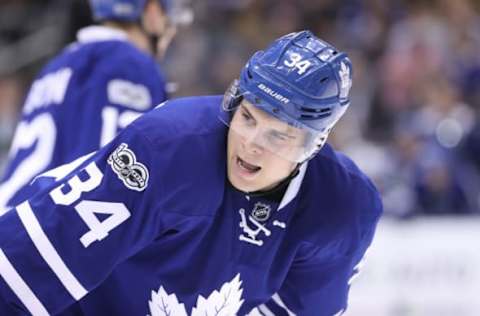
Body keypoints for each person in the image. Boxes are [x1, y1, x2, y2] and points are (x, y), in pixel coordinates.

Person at [0, 30, 382, 316]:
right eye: (247, 118)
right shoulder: (168, 149)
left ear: (313, 145)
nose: (251, 143)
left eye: (278, 136)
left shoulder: (343, 208)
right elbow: (16, 274)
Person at [0, 0, 193, 213]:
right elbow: (113, 181)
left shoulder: (58, 63)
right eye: (168, 13)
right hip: (41, 233)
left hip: (13, 220)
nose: (172, 28)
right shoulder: (131, 64)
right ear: (152, 11)